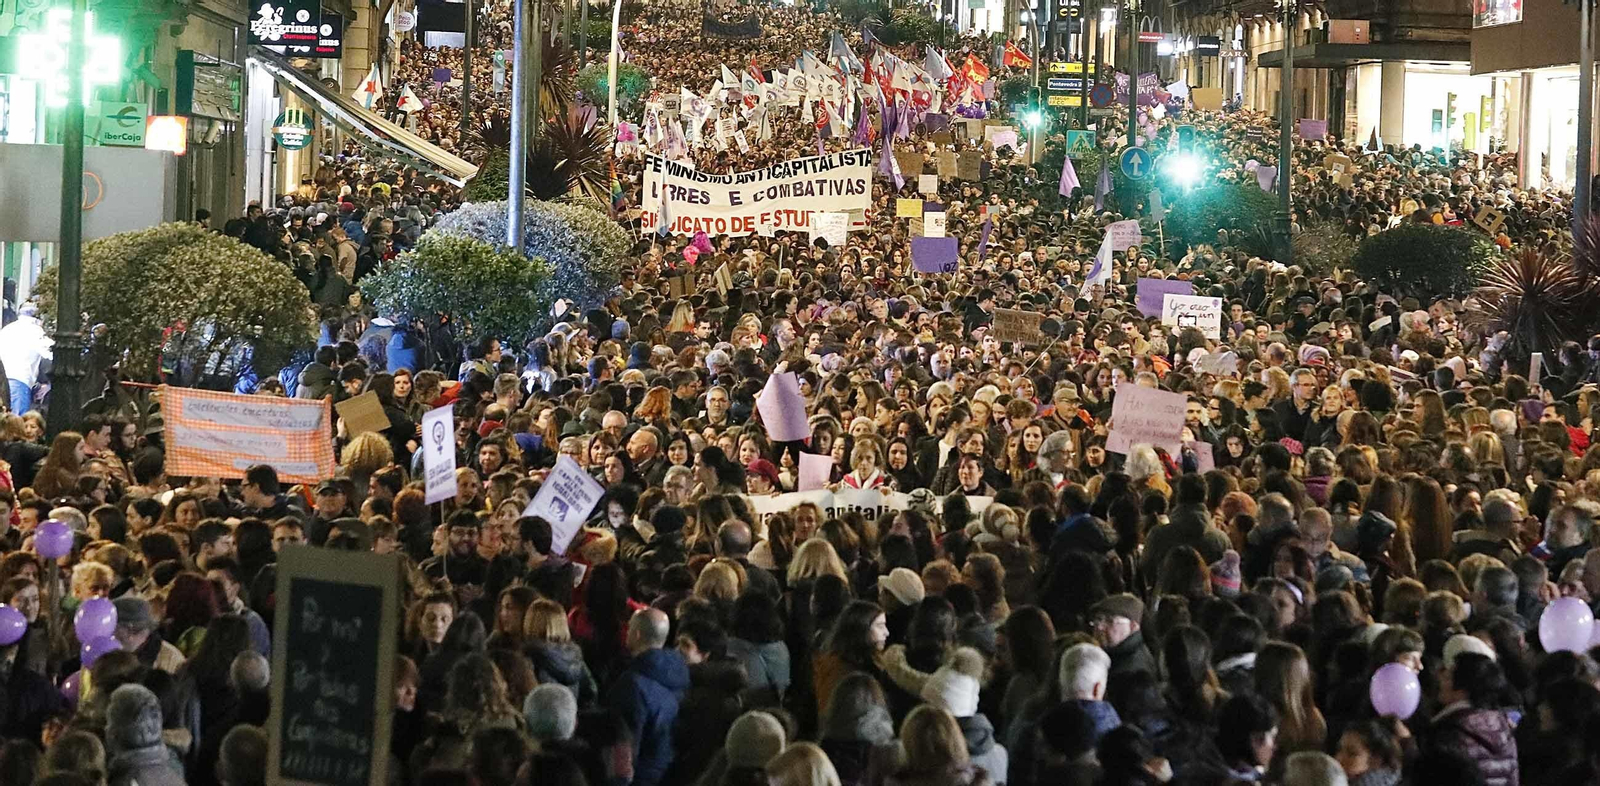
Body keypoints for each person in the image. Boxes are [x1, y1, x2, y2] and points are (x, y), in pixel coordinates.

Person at [606, 608, 690, 786]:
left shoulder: (632, 685)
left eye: (629, 629)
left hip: (640, 777)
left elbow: (626, 743)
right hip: (666, 772)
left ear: (636, 634)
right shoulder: (679, 672)